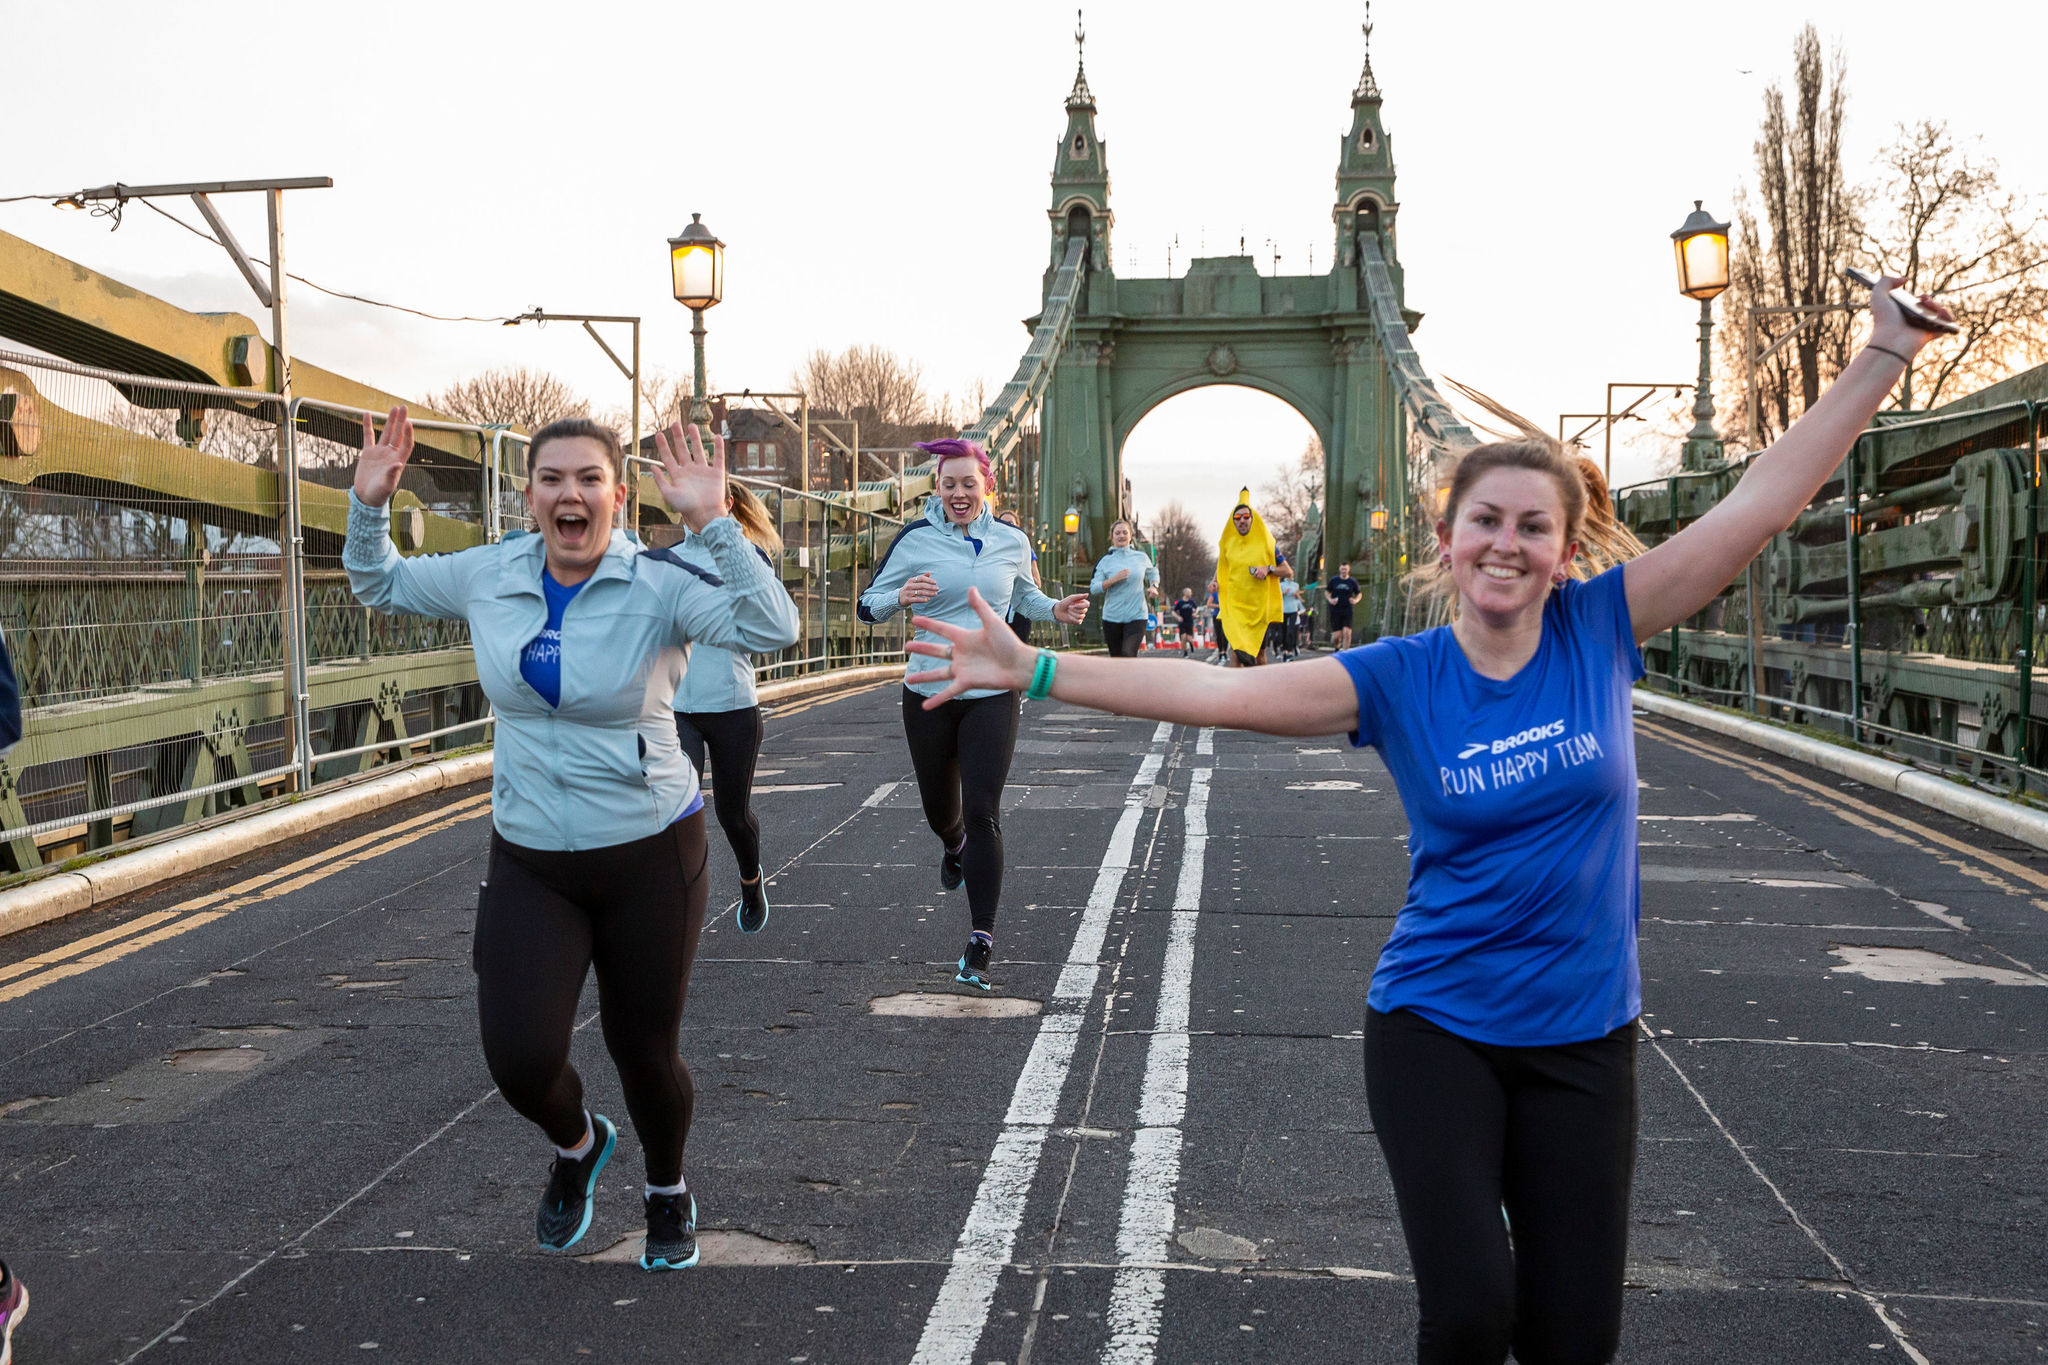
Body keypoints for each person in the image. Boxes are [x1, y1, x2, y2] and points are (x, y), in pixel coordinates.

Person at [899, 278, 1950, 1364]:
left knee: (1571, 1340)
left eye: (1531, 527)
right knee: (1468, 1313)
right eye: (1483, 522)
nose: (1505, 544)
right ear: (1443, 538)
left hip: (1584, 1038)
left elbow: (1757, 508)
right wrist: (1032, 672)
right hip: (1436, 1029)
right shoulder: (1400, 675)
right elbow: (1216, 694)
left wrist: (1881, 355)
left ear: (1563, 543)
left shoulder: (1602, 626)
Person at [345, 409, 800, 1272]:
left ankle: (668, 1190)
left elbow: (774, 627)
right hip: (529, 856)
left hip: (649, 853)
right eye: (553, 478)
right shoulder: (491, 574)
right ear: (530, 496)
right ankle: (580, 1141)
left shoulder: (662, 581)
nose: (571, 494)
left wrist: (711, 523)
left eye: (590, 478)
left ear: (618, 496)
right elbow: (380, 584)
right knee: (519, 1057)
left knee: (644, 1050)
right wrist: (369, 506)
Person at [857, 438, 1088, 991]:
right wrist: (902, 595)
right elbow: (868, 605)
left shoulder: (1012, 540)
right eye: (948, 484)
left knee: (983, 809)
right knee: (944, 814)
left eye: (969, 484)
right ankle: (952, 845)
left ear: (988, 487)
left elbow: (1024, 596)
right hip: (929, 694)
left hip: (991, 691)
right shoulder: (914, 539)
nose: (959, 494)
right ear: (937, 488)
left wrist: (1054, 608)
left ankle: (980, 941)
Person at [671, 480, 785, 934]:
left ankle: (751, 880)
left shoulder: (749, 559)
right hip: (677, 708)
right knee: (678, 806)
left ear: (728, 505)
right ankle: (676, 902)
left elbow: (771, 626)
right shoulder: (666, 562)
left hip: (734, 708)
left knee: (731, 815)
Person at [1216, 492, 1283, 667]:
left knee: (1259, 656)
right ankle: (1234, 693)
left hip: (1258, 609)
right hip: (1236, 608)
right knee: (1236, 653)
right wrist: (1214, 582)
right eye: (1237, 517)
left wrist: (1268, 568)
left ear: (1253, 519)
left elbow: (1287, 571)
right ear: (1233, 522)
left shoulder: (1267, 544)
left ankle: (1261, 690)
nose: (1242, 520)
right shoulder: (1228, 545)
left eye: (1246, 516)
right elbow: (1222, 569)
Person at [1089, 518, 1158, 658]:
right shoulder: (1105, 561)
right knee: (1116, 658)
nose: (1121, 536)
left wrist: (1154, 586)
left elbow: (1153, 572)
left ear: (1130, 536)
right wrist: (1114, 580)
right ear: (1112, 537)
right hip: (1112, 617)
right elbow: (1094, 588)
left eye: (1125, 532)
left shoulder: (1141, 557)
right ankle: (1121, 680)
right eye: (1117, 533)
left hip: (1137, 615)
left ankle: (1131, 680)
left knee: (1128, 653)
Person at [994, 510, 1038, 644]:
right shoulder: (990, 548)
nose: (1007, 526)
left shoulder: (1025, 549)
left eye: (1011, 523)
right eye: (1003, 523)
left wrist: (1013, 581)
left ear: (1018, 525)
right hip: (997, 610)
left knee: (1018, 650)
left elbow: (1037, 582)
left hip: (1019, 610)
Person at [1326, 562, 1362, 649]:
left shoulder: (1352, 581)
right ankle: (1337, 647)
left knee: (1347, 633)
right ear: (1339, 569)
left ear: (1348, 570)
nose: (1344, 571)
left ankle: (1346, 654)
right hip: (1335, 610)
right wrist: (1330, 599)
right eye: (1342, 569)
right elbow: (1327, 592)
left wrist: (1355, 600)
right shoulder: (1334, 580)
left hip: (1347, 610)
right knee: (1337, 636)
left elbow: (1359, 594)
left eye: (1345, 569)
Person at [1279, 572, 1304, 661]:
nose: (1290, 576)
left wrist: (1297, 596)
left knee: (1291, 631)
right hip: (1284, 610)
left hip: (1293, 610)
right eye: (1289, 574)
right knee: (1284, 631)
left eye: (1292, 574)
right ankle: (1284, 651)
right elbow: (1278, 597)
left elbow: (1299, 598)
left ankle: (1290, 652)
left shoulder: (1296, 585)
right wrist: (1284, 593)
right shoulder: (1281, 585)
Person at [1171, 588, 1199, 657]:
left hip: (1190, 621)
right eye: (1189, 592)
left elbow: (1197, 608)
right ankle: (1185, 651)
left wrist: (1195, 613)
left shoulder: (1191, 601)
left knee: (1189, 638)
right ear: (1185, 593)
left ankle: (1191, 645)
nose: (1191, 594)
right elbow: (1173, 611)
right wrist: (1178, 617)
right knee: (1183, 637)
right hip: (1182, 622)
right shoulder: (1180, 602)